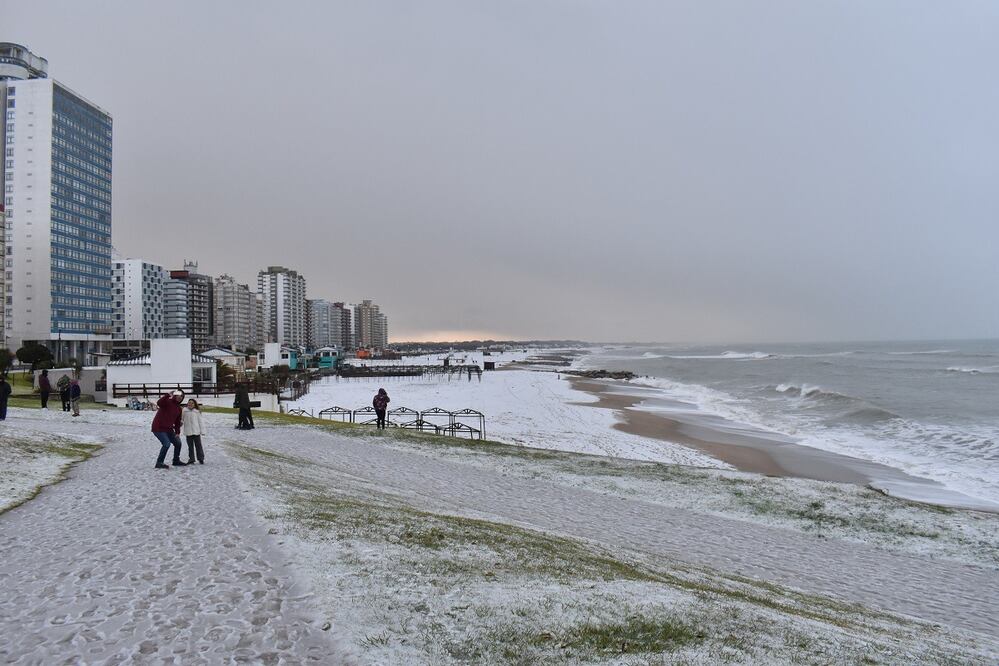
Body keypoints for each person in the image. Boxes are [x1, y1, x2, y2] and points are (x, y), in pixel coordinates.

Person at [151, 390, 187, 470]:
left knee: (178, 443)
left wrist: (177, 432)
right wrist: (167, 395)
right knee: (166, 444)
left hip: (169, 429)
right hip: (158, 427)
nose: (180, 397)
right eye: (179, 395)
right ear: (175, 395)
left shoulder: (179, 408)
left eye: (182, 396)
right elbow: (159, 403)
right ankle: (159, 462)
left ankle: (176, 460)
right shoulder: (167, 401)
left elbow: (177, 422)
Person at [182, 398, 205, 464]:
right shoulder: (184, 411)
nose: (190, 404)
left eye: (192, 403)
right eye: (189, 403)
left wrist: (202, 431)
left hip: (196, 431)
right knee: (190, 446)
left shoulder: (197, 412)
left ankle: (201, 458)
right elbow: (182, 419)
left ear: (195, 404)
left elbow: (200, 422)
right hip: (188, 432)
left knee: (198, 445)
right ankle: (191, 459)